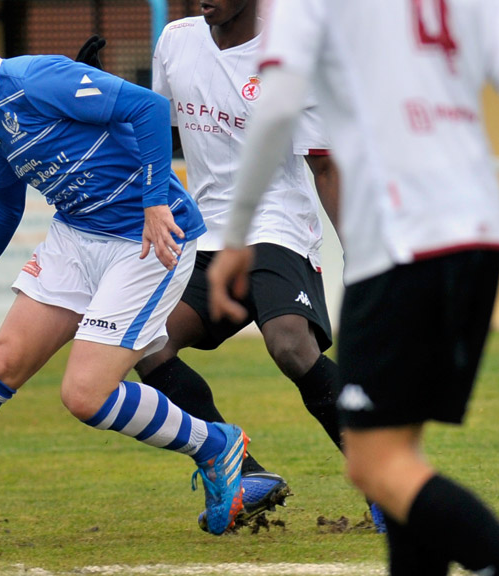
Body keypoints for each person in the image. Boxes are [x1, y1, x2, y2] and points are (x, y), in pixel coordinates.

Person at [0, 9, 250, 547]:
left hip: (146, 241)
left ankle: (216, 445)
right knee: (1, 364)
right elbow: (5, 203)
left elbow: (148, 107)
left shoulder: (36, 79)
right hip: (76, 237)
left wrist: (155, 201)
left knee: (85, 395)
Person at [207, 0, 499, 572]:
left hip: (401, 240)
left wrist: (237, 232)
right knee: (400, 456)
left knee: (373, 464)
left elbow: (278, 104)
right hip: (475, 234)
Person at [121, 0, 352, 531]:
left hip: (277, 226)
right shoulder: (175, 42)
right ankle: (242, 474)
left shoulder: (291, 55)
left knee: (290, 344)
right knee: (147, 343)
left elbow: (324, 165)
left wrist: (356, 254)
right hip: (205, 234)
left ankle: (384, 476)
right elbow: (152, 133)